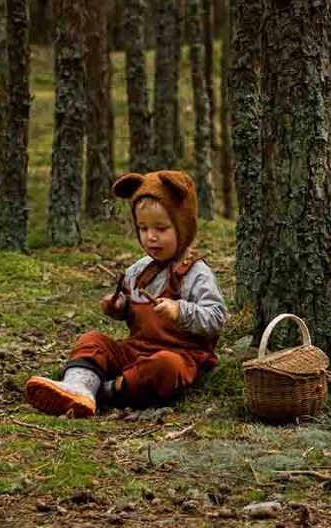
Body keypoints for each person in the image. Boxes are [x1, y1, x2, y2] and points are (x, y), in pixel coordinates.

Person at [24, 171, 228, 417]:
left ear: (183, 226)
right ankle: (77, 386)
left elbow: (217, 318)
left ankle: (103, 392)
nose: (151, 236)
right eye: (143, 228)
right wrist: (118, 308)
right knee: (92, 339)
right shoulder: (138, 270)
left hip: (180, 357)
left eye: (161, 228)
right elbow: (133, 313)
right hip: (135, 351)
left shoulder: (195, 273)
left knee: (166, 366)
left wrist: (180, 310)